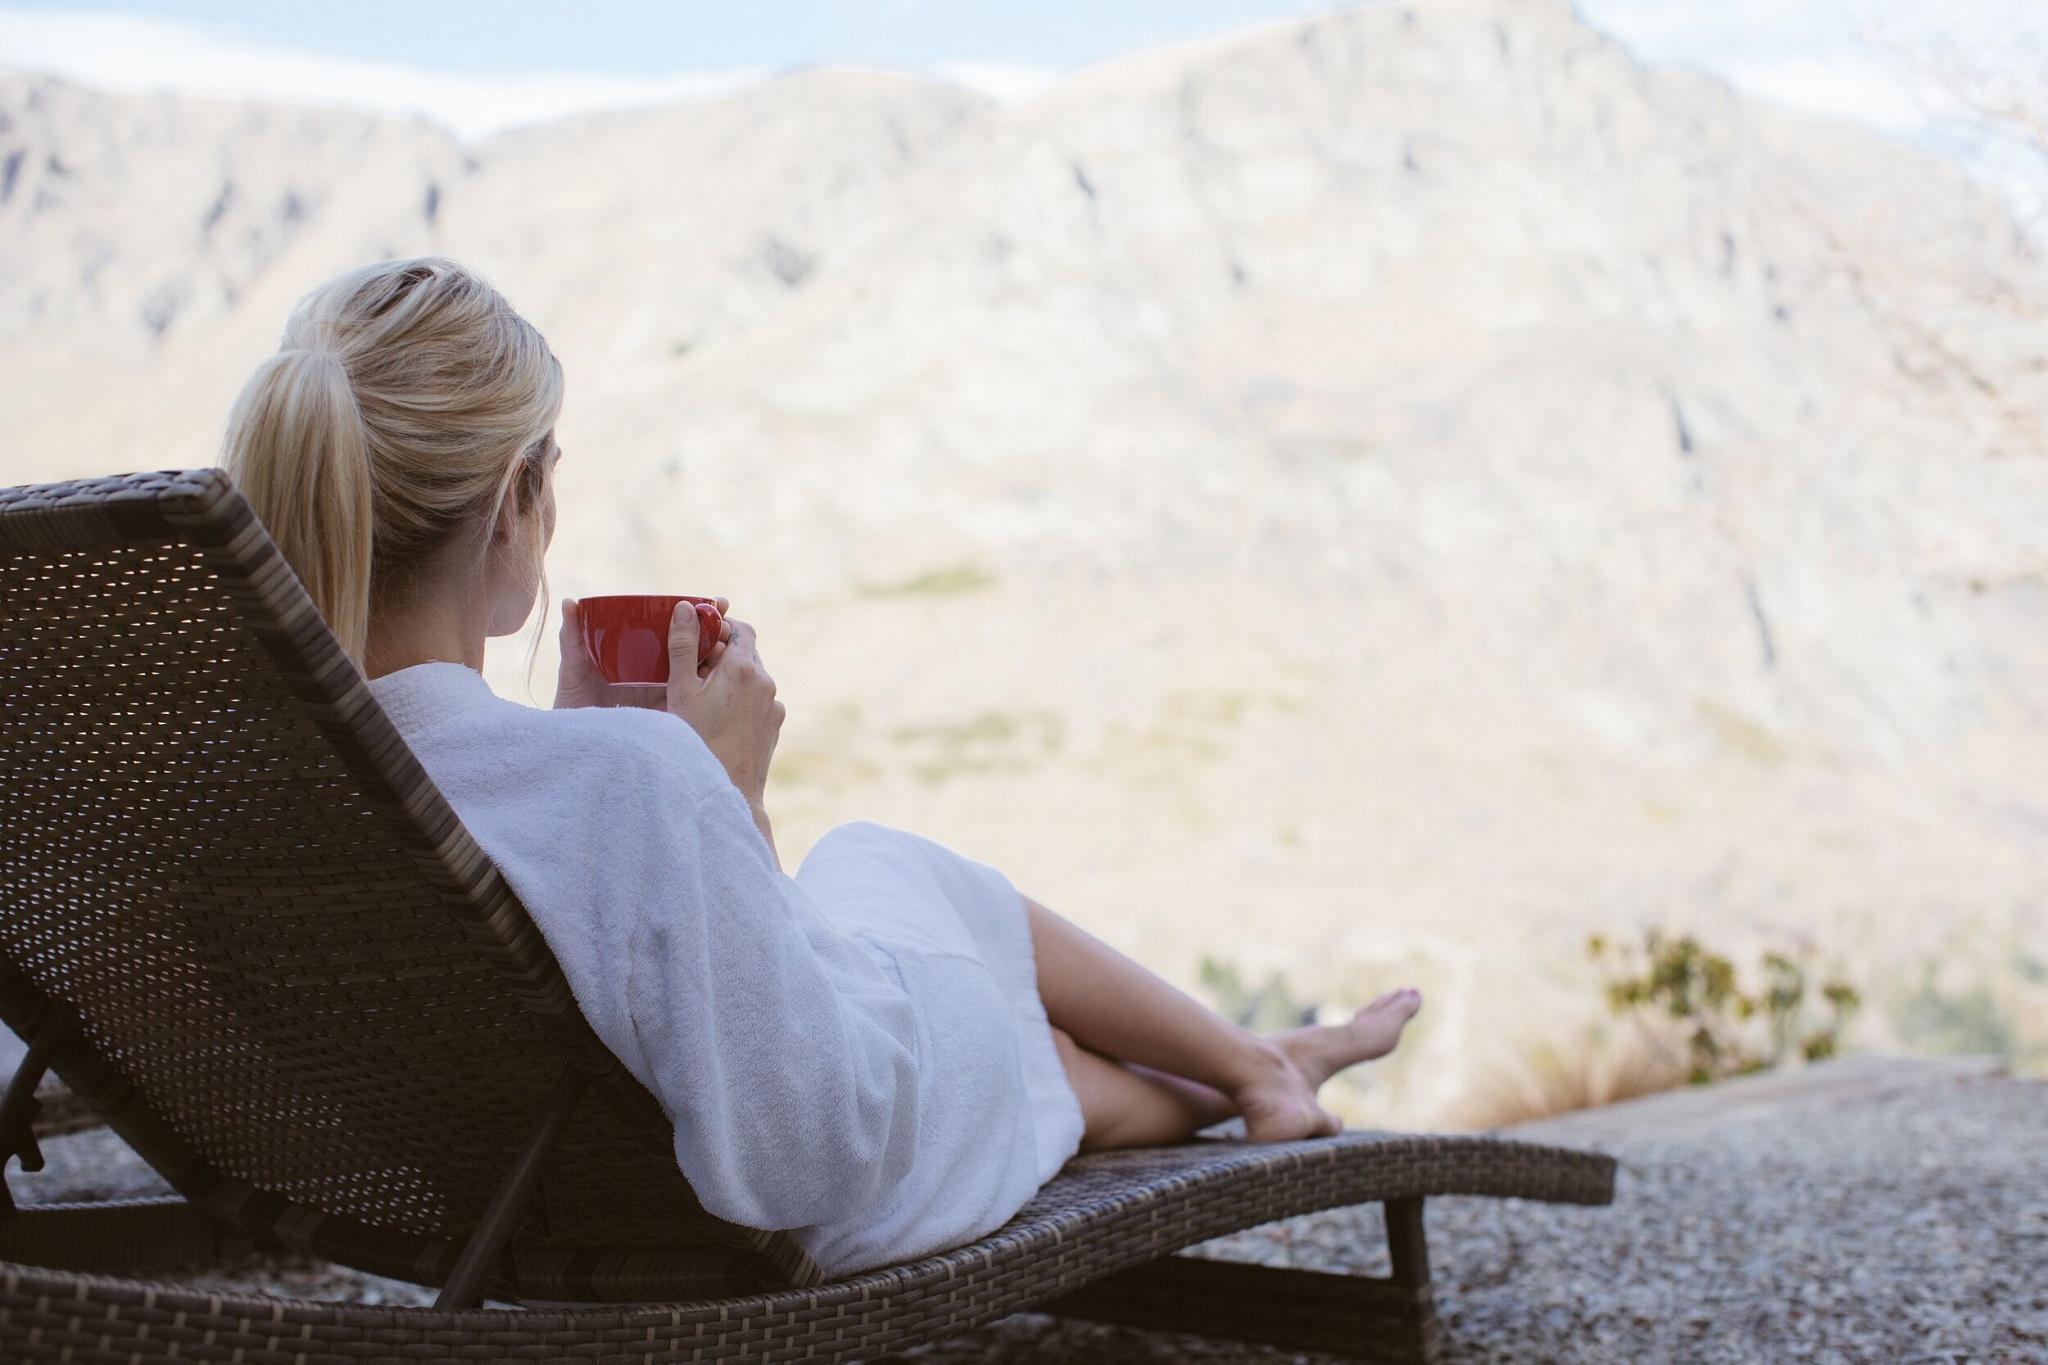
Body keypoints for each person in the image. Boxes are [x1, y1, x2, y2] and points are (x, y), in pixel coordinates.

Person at [217, 255, 1421, 1279]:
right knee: (903, 888)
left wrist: (608, 753)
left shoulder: (273, 784)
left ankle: (1258, 1073)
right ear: (511, 503)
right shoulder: (628, 780)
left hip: (505, 1199)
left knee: (963, 988)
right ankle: (1259, 1065)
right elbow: (809, 1151)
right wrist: (721, 797)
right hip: (777, 1211)